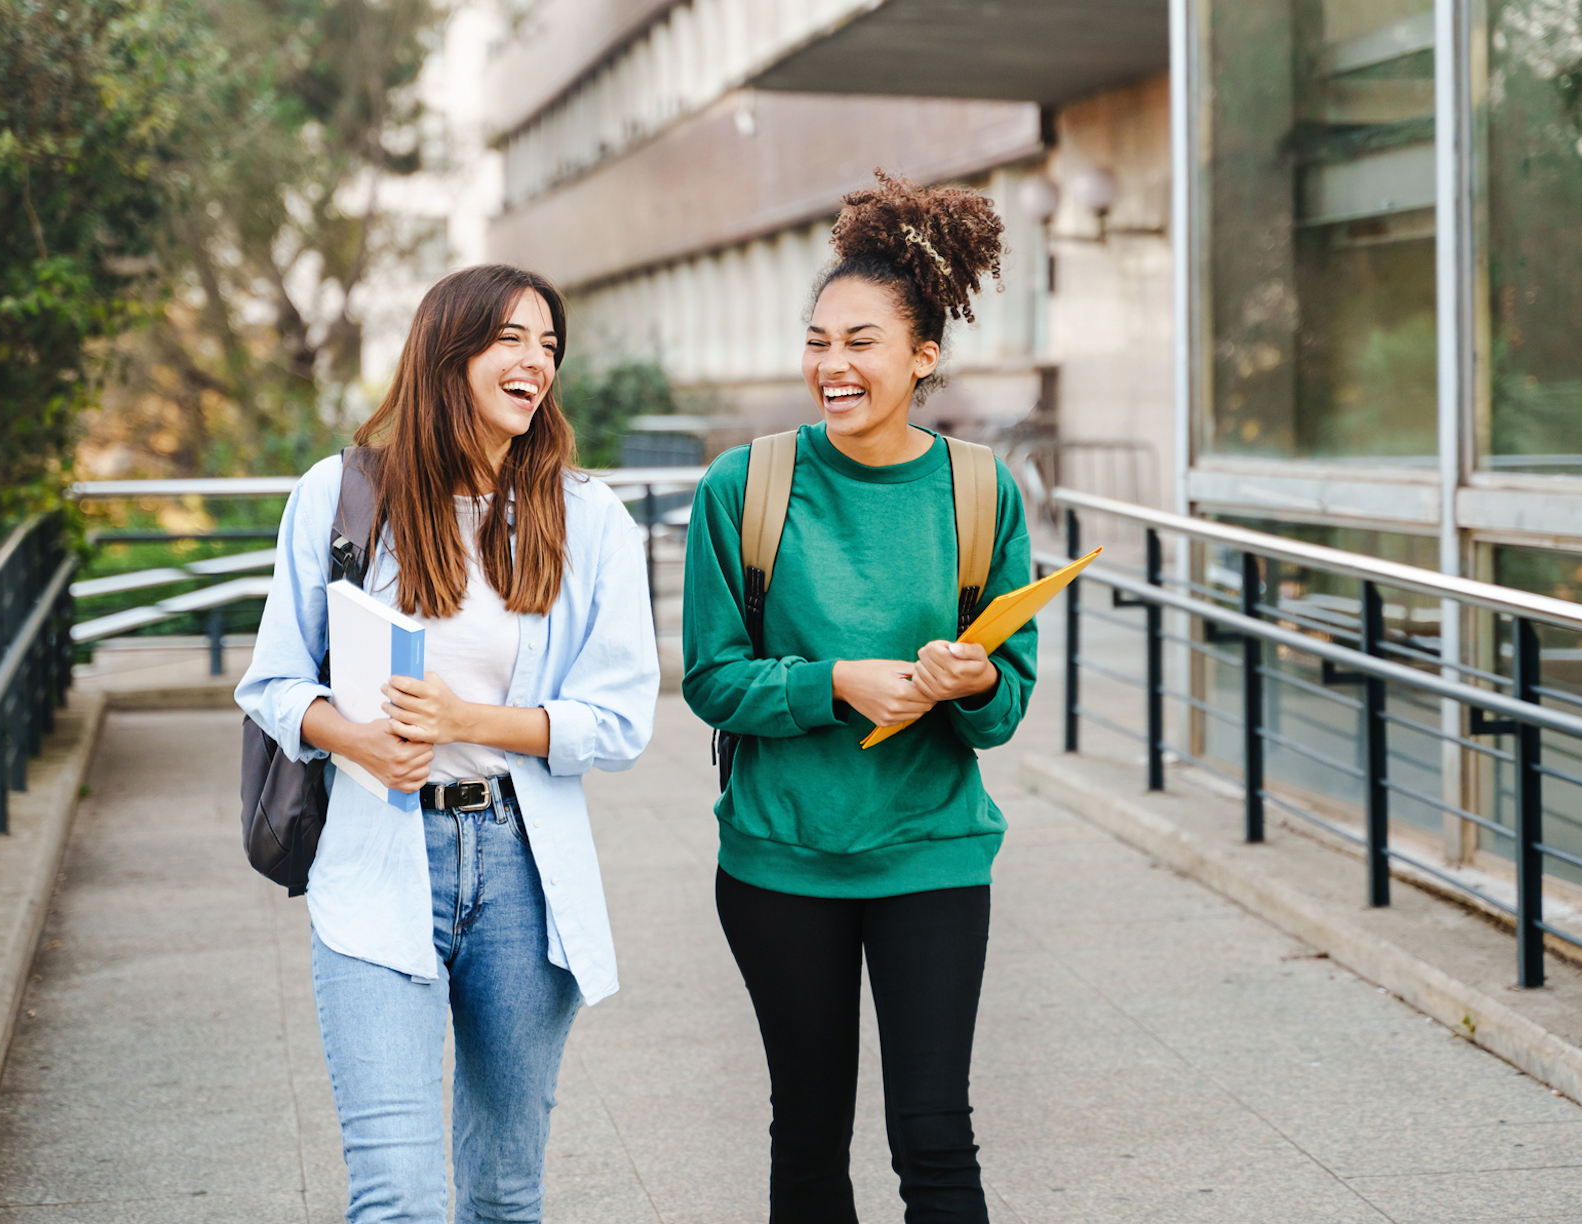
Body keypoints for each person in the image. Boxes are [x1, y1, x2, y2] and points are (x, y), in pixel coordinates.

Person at [236, 264, 658, 1224]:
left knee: (505, 1197)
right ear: (448, 349)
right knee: (399, 1200)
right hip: (379, 856)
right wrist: (360, 741)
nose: (535, 360)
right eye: (511, 337)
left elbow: (622, 717)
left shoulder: (586, 518)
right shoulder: (342, 496)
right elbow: (271, 682)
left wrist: (469, 723)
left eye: (549, 344)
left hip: (521, 870)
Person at [682, 172, 1033, 1223]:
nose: (831, 366)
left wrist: (969, 683)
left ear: (923, 357)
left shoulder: (981, 492)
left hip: (930, 850)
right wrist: (833, 682)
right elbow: (709, 678)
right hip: (780, 858)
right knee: (808, 1136)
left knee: (934, 1136)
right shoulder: (743, 488)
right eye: (817, 340)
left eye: (861, 342)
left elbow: (1005, 703)